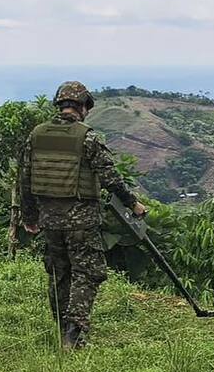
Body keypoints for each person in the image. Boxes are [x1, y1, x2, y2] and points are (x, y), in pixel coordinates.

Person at [19, 81, 147, 348]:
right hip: (82, 221)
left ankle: (62, 327)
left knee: (59, 272)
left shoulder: (37, 135)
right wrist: (133, 204)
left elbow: (25, 179)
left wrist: (30, 217)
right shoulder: (87, 137)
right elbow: (110, 177)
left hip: (49, 220)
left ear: (60, 105)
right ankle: (74, 334)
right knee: (86, 273)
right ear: (83, 107)